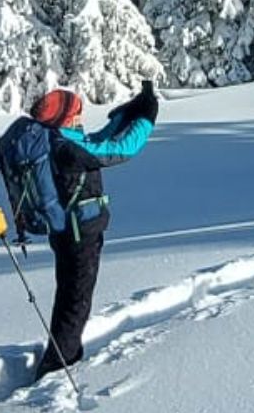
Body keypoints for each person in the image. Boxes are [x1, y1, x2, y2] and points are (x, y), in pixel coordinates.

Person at [20, 81, 157, 379]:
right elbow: (119, 150)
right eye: (78, 113)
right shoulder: (68, 150)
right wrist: (147, 118)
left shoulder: (57, 141)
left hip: (67, 231)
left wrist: (125, 114)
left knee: (69, 293)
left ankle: (59, 351)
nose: (81, 118)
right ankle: (59, 364)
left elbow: (98, 140)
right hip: (79, 234)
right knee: (76, 299)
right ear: (66, 118)